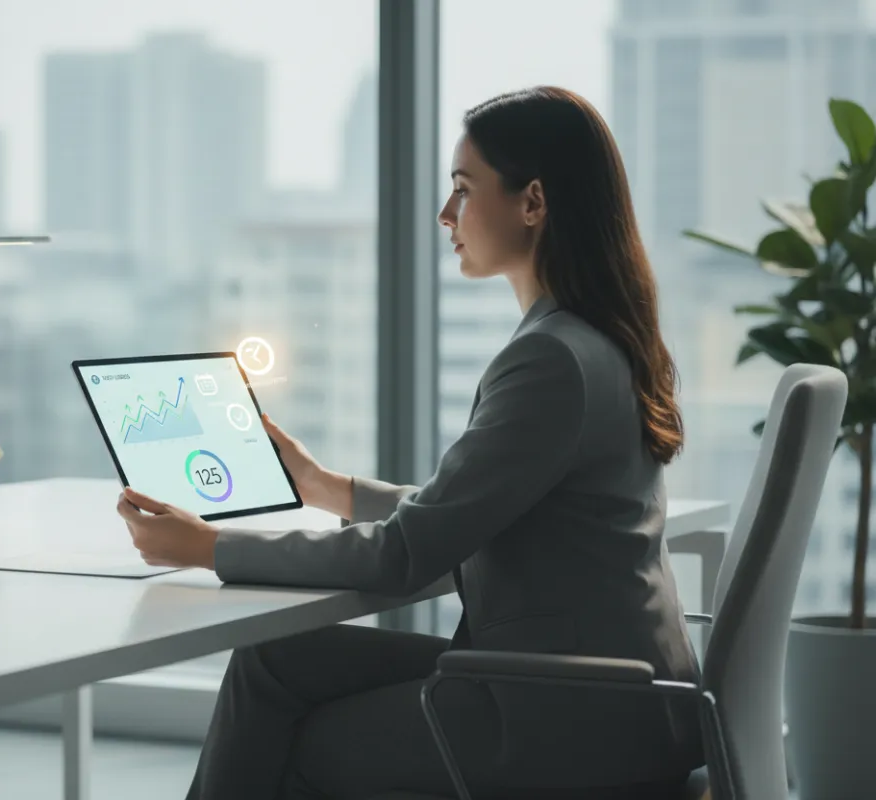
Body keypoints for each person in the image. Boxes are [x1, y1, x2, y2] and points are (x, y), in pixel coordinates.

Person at [116, 86, 704, 799]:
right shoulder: (592, 339)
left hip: (569, 711)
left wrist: (208, 548)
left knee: (291, 742)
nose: (446, 214)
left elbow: (406, 553)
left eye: (463, 189)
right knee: (273, 663)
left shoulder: (550, 361)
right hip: (618, 692)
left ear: (534, 202)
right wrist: (325, 487)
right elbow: (477, 513)